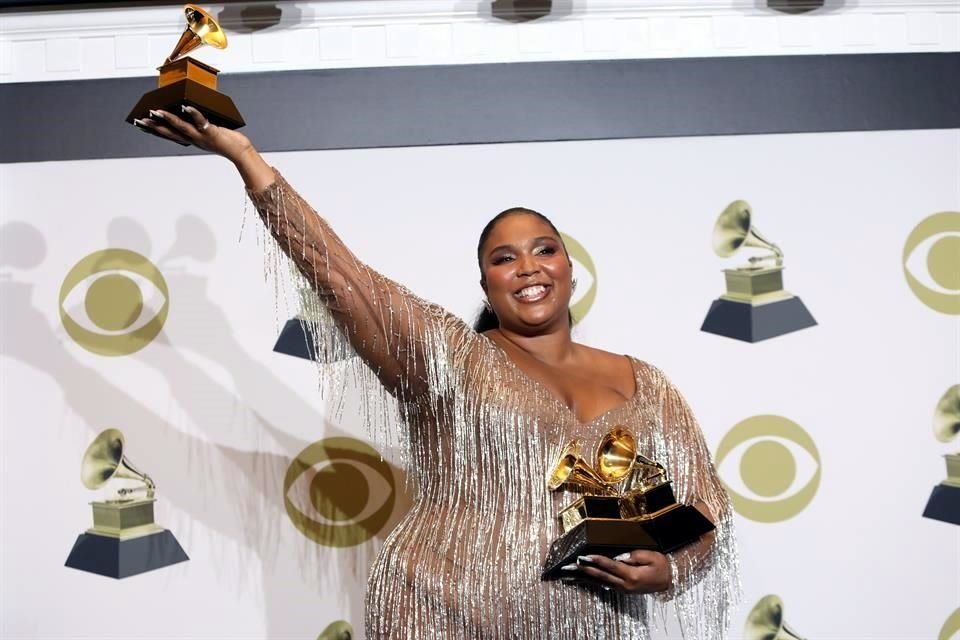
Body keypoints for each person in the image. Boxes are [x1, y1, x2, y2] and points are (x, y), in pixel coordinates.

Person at [136, 107, 739, 639]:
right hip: (435, 614)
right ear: (486, 286)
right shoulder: (448, 357)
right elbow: (343, 275)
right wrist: (245, 157)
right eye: (504, 258)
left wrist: (671, 568)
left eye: (544, 249)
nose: (527, 267)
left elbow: (703, 505)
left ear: (570, 269)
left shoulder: (645, 384)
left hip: (586, 623)